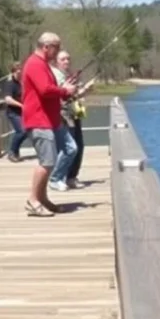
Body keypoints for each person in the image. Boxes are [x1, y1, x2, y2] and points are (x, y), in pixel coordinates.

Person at [20, 32, 77, 217]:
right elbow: (45, 90)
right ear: (46, 46)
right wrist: (63, 89)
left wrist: (65, 90)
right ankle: (32, 200)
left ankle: (42, 198)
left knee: (49, 162)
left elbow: (50, 90)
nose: (58, 51)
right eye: (56, 47)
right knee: (47, 162)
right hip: (38, 120)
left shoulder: (43, 65)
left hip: (48, 120)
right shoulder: (35, 64)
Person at [50, 50, 95, 190]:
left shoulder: (68, 76)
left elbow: (72, 96)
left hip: (73, 113)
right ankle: (59, 177)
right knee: (69, 147)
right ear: (56, 61)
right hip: (63, 115)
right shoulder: (54, 75)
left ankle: (71, 177)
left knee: (79, 146)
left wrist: (85, 90)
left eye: (68, 59)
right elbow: (59, 95)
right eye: (63, 59)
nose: (66, 62)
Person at [2, 62, 27, 162]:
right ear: (13, 72)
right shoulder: (10, 84)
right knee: (22, 131)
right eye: (17, 71)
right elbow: (8, 99)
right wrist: (21, 105)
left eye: (21, 70)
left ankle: (15, 152)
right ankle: (12, 152)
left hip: (22, 112)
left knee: (26, 132)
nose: (20, 72)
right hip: (13, 112)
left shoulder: (21, 83)